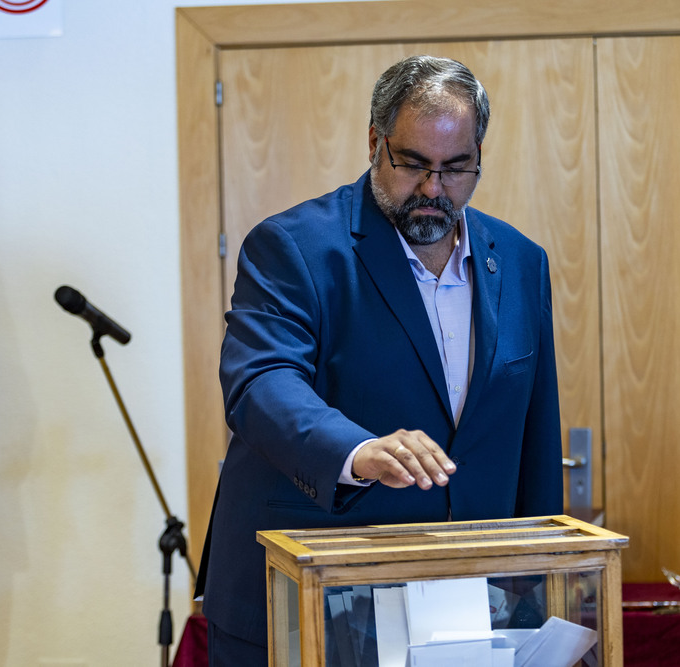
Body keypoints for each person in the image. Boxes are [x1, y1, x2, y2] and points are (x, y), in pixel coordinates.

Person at [196, 54, 563, 664]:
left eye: (455, 168)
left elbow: (534, 435)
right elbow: (260, 382)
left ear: (479, 157)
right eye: (413, 163)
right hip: (307, 596)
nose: (432, 189)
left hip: (462, 606)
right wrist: (354, 451)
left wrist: (538, 590)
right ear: (375, 143)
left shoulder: (521, 262)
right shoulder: (295, 247)